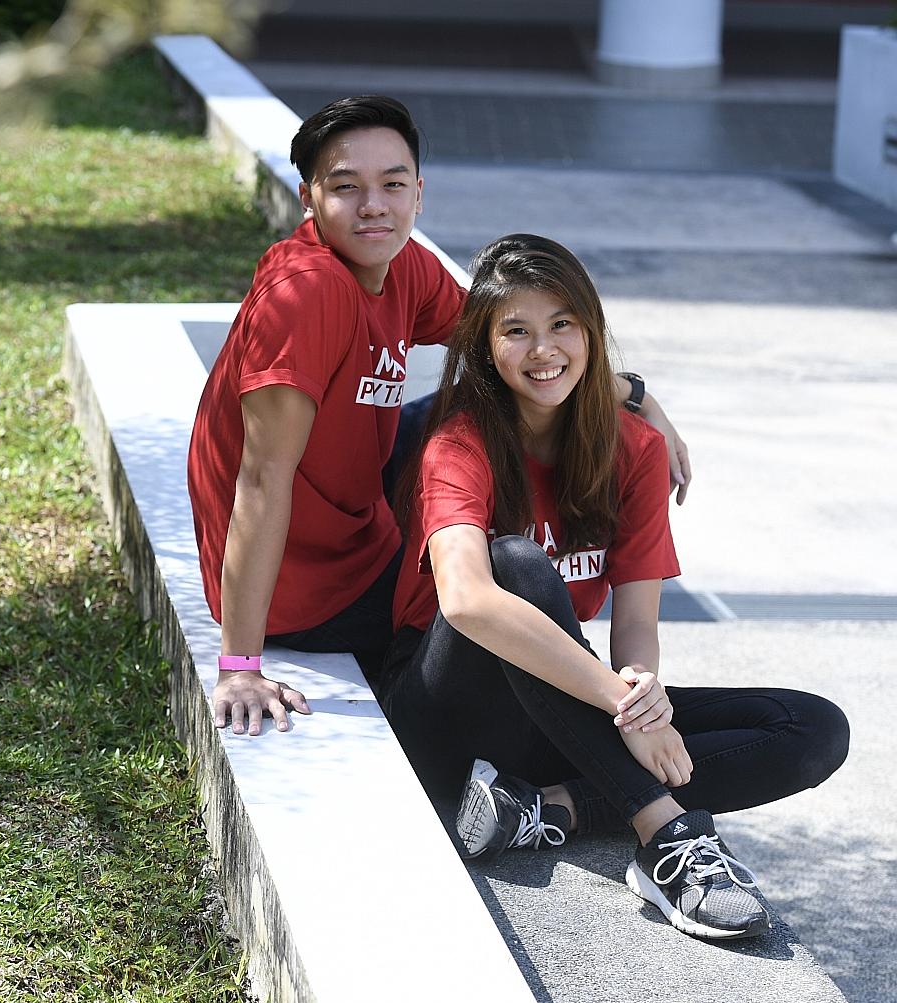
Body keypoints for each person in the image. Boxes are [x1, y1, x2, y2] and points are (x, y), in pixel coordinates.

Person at [384, 233, 849, 940]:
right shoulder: (460, 442)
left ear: (592, 334)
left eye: (561, 325)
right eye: (517, 331)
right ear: (485, 348)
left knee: (813, 728)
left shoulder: (634, 450)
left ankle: (550, 808)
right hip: (446, 711)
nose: (544, 350)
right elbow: (467, 596)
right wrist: (622, 704)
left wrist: (640, 690)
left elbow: (635, 625)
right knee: (514, 564)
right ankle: (665, 841)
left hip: (559, 713)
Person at [186, 95, 690, 736]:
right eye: (346, 187)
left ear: (418, 193)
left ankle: (565, 654)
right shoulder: (305, 294)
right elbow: (260, 479)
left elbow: (511, 347)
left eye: (392, 185)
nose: (374, 205)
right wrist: (238, 665)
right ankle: (588, 715)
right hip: (310, 589)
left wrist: (631, 395)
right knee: (506, 598)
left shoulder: (401, 265)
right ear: (309, 198)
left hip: (364, 532)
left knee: (483, 408)